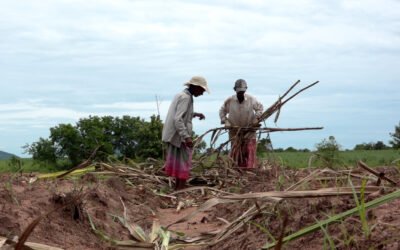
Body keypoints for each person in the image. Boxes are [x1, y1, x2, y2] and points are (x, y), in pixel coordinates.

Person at [162, 76, 210, 190]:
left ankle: (178, 189)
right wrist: (187, 137)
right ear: (196, 87)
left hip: (175, 135)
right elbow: (178, 119)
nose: (202, 93)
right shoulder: (185, 98)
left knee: (180, 164)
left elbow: (183, 114)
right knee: (183, 164)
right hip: (178, 137)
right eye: (202, 90)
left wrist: (196, 114)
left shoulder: (183, 95)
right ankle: (180, 191)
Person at [219, 79, 263, 168]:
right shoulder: (230, 100)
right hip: (235, 132)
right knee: (236, 153)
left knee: (249, 152)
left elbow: (260, 108)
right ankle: (236, 171)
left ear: (245, 90)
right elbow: (222, 111)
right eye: (239, 92)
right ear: (235, 90)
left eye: (242, 92)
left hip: (249, 131)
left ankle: (250, 171)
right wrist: (225, 121)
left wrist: (256, 118)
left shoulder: (251, 99)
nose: (240, 94)